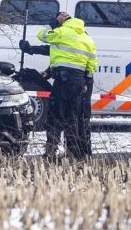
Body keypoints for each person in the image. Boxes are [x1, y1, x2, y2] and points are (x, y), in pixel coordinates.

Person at [19, 12, 97, 158]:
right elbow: (85, 61)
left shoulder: (62, 31)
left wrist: (54, 22)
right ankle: (75, 152)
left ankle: (51, 151)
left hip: (63, 81)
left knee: (55, 116)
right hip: (80, 82)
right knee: (73, 118)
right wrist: (49, 71)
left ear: (62, 22)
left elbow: (42, 35)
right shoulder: (86, 37)